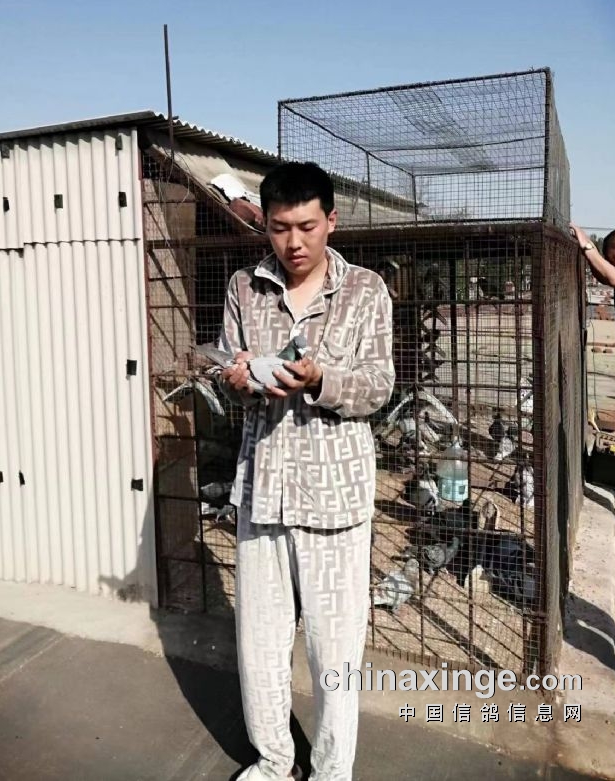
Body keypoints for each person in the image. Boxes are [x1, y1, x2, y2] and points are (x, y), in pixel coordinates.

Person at [217, 162, 395, 781]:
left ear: (331, 221)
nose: (293, 242)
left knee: (333, 648)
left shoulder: (366, 290)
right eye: (280, 228)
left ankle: (331, 770)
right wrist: (239, 379)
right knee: (260, 642)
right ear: (265, 225)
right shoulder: (245, 287)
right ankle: (273, 761)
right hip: (263, 488)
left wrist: (321, 380)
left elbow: (378, 386)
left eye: (307, 227)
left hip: (334, 497)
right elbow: (228, 369)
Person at [571, 224, 615, 399]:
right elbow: (605, 276)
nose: (610, 264)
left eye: (610, 259)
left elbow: (613, 277)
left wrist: (587, 245)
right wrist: (587, 250)